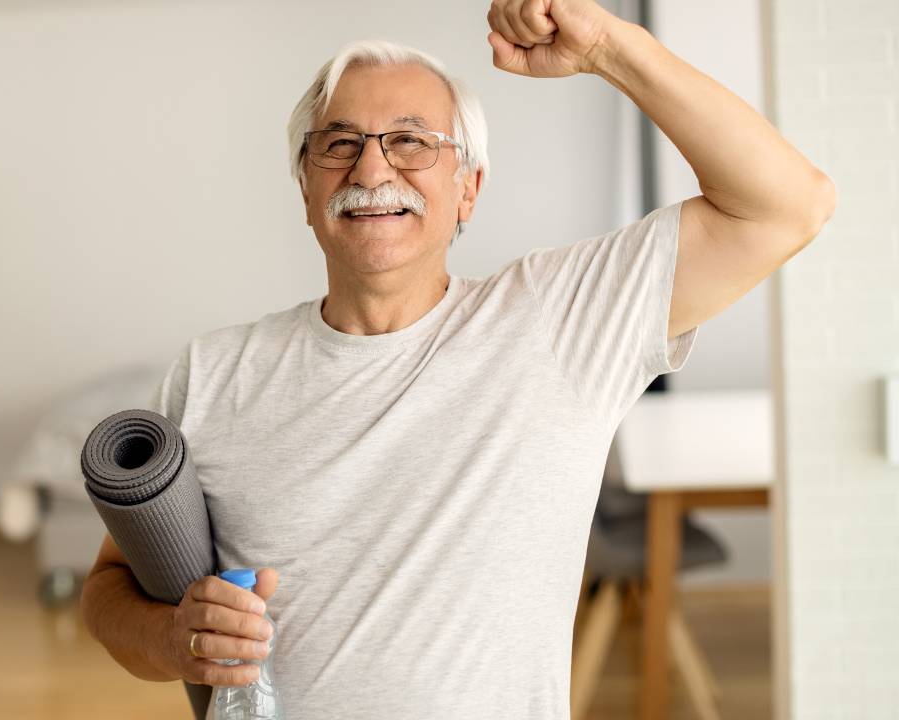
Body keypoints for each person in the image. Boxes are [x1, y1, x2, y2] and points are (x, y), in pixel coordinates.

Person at [80, 0, 836, 716]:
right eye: (339, 144)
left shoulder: (561, 321)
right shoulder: (214, 373)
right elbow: (109, 591)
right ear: (305, 187)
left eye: (411, 142)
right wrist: (171, 640)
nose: (372, 173)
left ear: (468, 188)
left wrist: (607, 46)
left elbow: (789, 203)